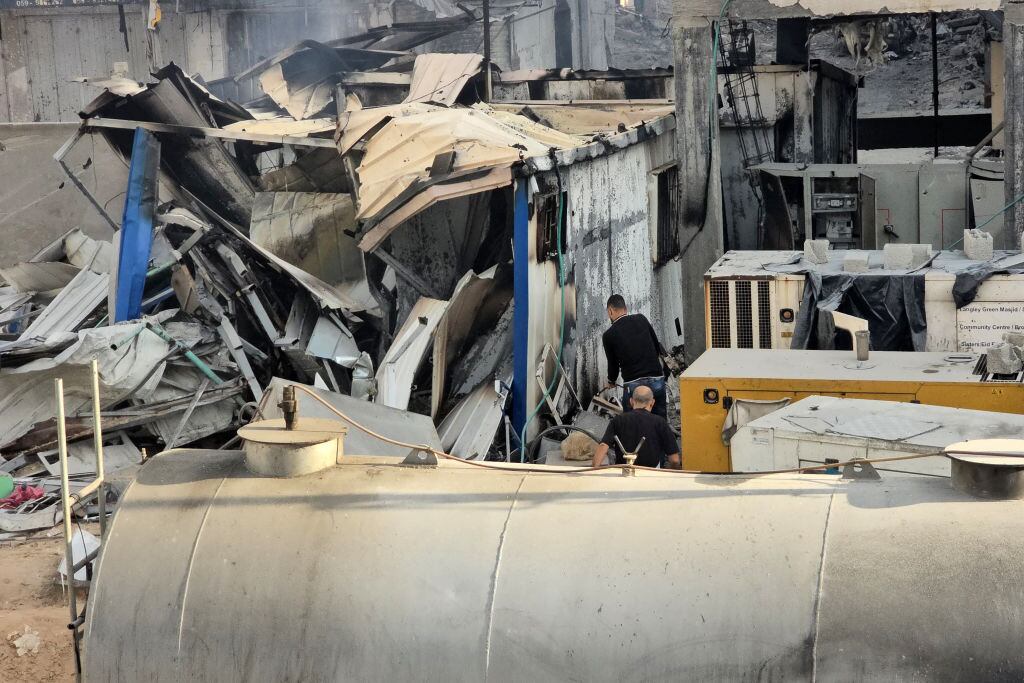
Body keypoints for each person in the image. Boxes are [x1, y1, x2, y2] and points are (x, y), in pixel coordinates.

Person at [601, 294, 668, 419]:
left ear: (610, 311)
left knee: (633, 423)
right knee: (660, 421)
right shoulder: (641, 319)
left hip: (633, 384)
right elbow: (656, 345)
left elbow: (613, 363)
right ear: (625, 308)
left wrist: (611, 381)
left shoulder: (608, 335)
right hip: (656, 379)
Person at [592, 386, 680, 469]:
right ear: (652, 402)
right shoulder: (660, 422)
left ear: (631, 401)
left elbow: (603, 446)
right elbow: (675, 460)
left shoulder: (618, 420)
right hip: (651, 474)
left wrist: (593, 471)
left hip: (623, 473)